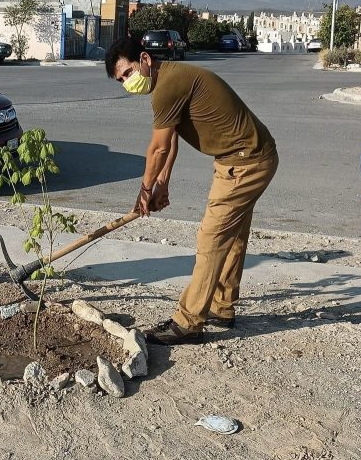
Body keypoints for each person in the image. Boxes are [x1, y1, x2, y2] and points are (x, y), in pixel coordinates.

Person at [105, 37, 278, 345]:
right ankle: (221, 307)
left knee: (211, 238)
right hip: (251, 157)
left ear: (144, 59)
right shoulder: (168, 79)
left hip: (244, 162)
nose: (126, 83)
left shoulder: (168, 85)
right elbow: (170, 141)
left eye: (128, 73)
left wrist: (145, 189)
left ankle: (187, 323)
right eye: (121, 80)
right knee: (233, 235)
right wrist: (162, 184)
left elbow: (157, 148)